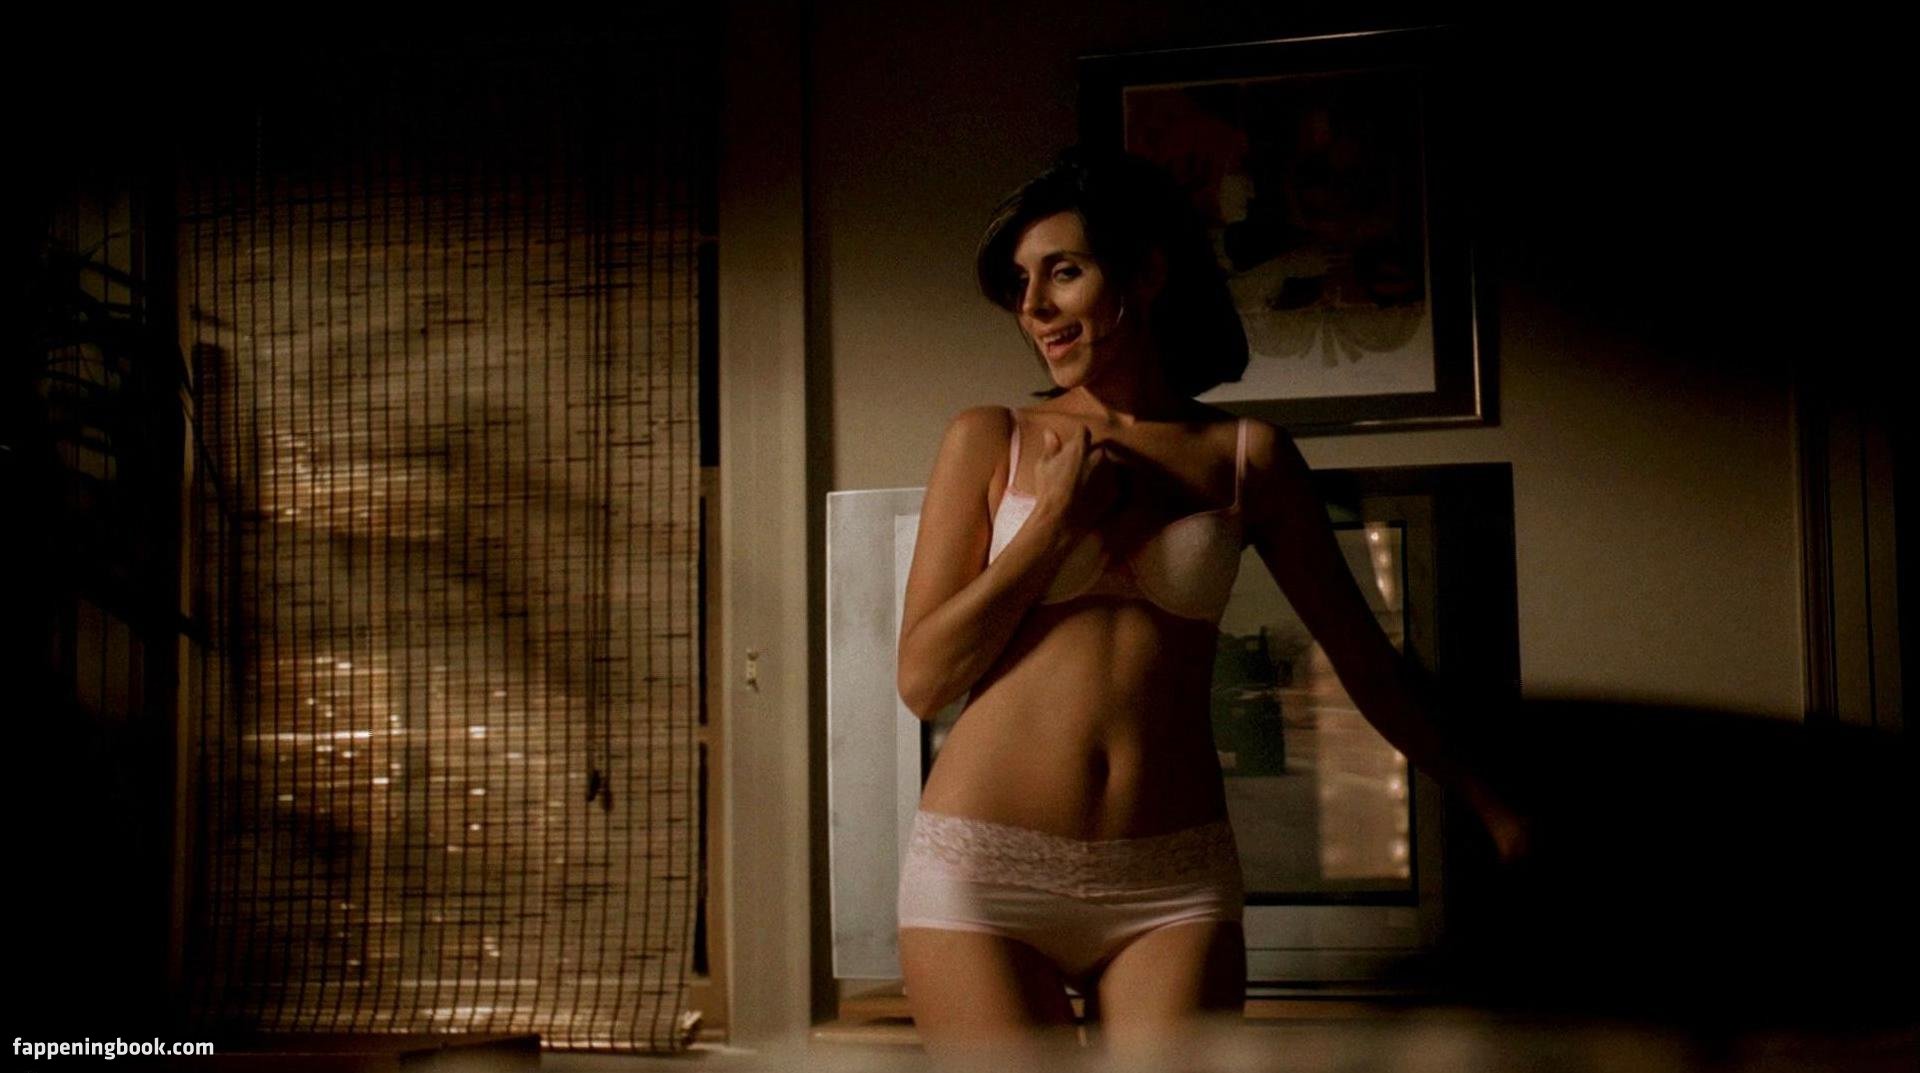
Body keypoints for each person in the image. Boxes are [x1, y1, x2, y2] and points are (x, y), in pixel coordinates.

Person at [893, 147, 1529, 1068]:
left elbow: (1363, 658)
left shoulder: (1247, 457)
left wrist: (1492, 805)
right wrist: (1053, 526)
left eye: (1062, 272)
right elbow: (924, 679)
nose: (1034, 307)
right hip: (984, 873)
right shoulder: (991, 437)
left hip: (1171, 883)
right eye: (1021, 284)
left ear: (1146, 273)